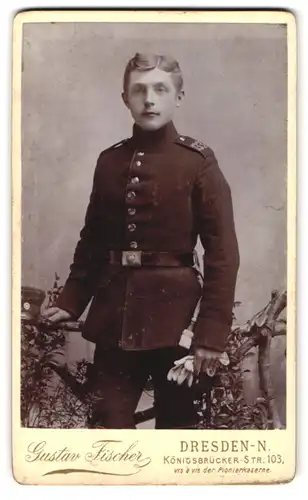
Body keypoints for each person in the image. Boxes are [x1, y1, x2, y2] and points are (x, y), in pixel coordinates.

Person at [42, 52, 240, 429]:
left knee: (176, 430)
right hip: (115, 317)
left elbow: (223, 255)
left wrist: (210, 335)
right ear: (125, 99)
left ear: (178, 97)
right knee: (107, 426)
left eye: (160, 89)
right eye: (139, 90)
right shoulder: (109, 161)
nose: (150, 99)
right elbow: (93, 242)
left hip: (175, 320)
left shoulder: (197, 162)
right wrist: (71, 301)